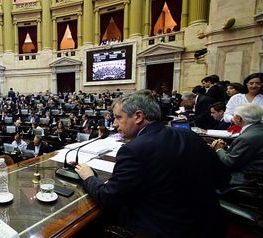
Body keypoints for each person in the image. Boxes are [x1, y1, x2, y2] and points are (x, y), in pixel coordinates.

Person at [74, 91, 229, 238]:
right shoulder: (190, 135)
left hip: (165, 230)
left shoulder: (133, 150)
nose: (114, 124)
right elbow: (223, 178)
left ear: (138, 117)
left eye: (118, 117)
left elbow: (108, 198)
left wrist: (88, 177)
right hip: (210, 225)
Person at [211, 103, 263, 184]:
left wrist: (219, 149)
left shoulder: (246, 138)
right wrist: (226, 147)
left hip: (247, 176)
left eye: (234, 116)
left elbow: (230, 163)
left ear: (238, 118)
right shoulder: (258, 129)